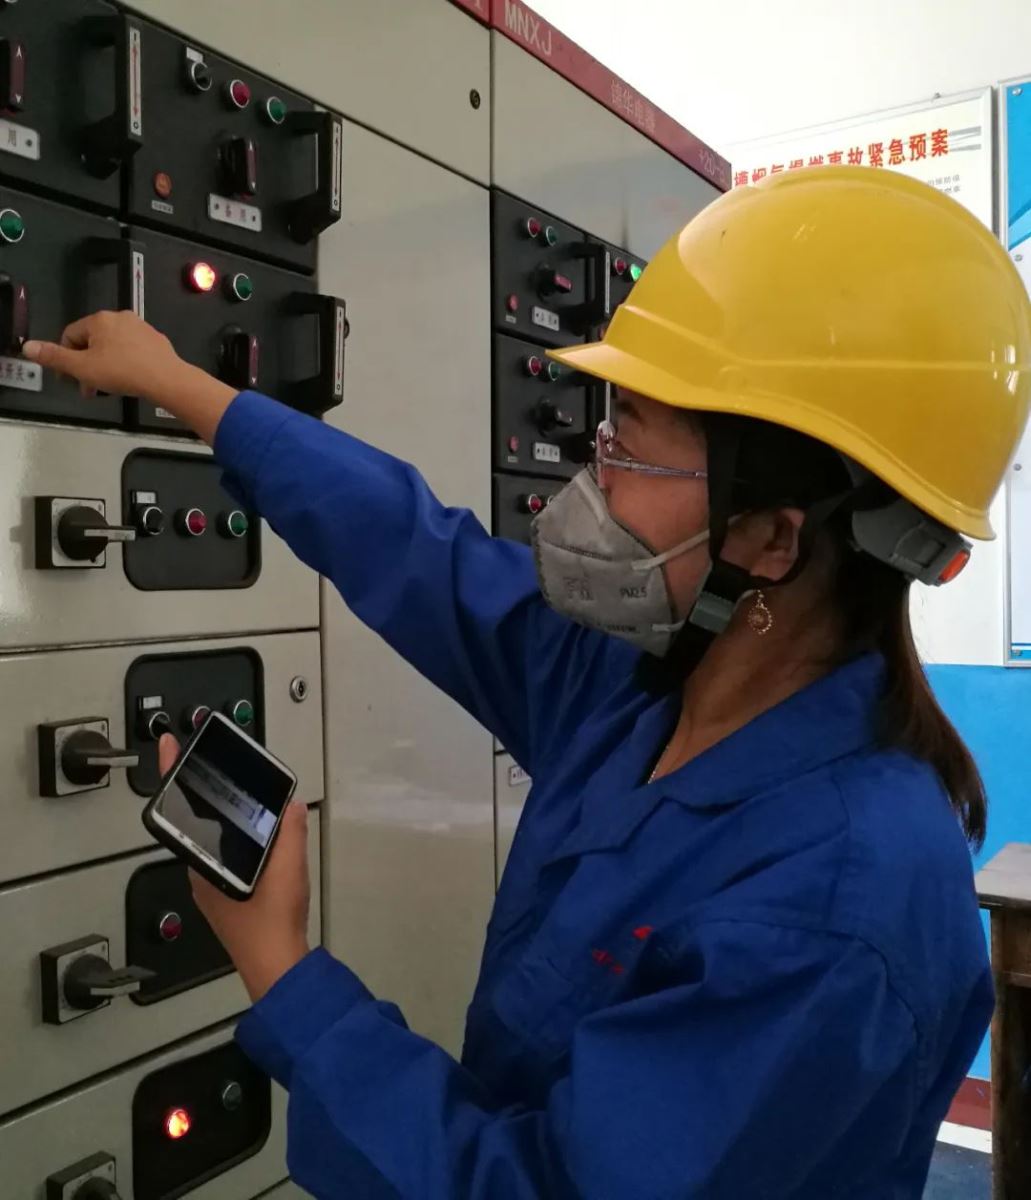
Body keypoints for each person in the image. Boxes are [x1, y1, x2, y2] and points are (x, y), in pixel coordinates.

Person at [24, 166, 1031, 1199]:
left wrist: (280, 964)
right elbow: (420, 553)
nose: (586, 482)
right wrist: (189, 391)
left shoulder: (834, 911)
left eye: (629, 441)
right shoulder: (640, 689)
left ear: (770, 540)